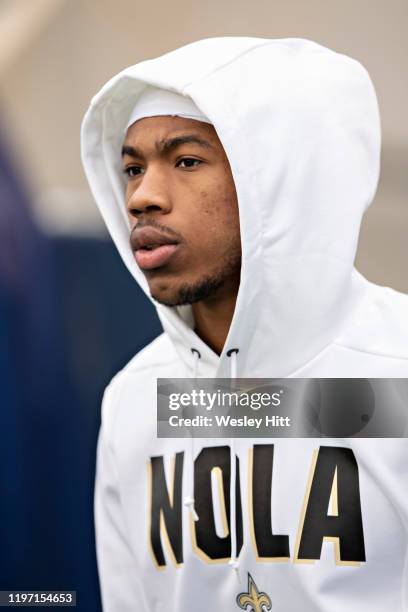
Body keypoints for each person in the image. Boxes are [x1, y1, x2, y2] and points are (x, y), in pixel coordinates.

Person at [81, 37, 408, 611]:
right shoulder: (135, 398)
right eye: (132, 168)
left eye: (186, 161)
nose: (142, 197)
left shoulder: (397, 364)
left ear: (281, 182)